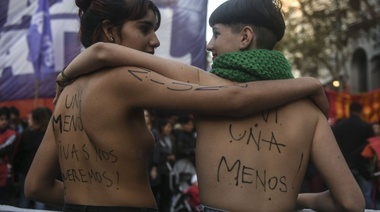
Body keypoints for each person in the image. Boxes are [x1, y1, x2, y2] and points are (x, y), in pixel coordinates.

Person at [53, 0, 366, 211]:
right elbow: (352, 203)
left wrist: (67, 74)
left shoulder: (206, 86)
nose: (209, 44)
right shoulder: (308, 111)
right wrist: (296, 200)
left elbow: (108, 53)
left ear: (245, 37)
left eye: (215, 34)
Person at [333, 102, 375, 209]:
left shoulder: (338, 127)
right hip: (362, 168)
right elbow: (371, 147)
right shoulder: (366, 126)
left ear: (349, 111)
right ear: (361, 111)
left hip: (342, 166)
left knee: (344, 196)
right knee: (366, 195)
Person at [13, 107, 52, 209]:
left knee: (26, 198)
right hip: (38, 172)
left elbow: (18, 154)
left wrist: (16, 168)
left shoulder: (27, 135)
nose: (28, 120)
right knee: (37, 199)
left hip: (29, 171)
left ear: (36, 120)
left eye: (30, 118)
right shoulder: (47, 135)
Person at [0, 106, 18, 205]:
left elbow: (5, 149)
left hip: (4, 173)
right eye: (1, 119)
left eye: (6, 119)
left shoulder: (12, 134)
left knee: (3, 202)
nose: (4, 122)